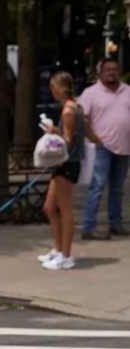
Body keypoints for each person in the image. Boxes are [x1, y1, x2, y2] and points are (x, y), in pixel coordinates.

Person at [38, 70, 84, 271]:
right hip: (64, 164)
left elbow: (67, 142)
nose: (51, 91)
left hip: (67, 163)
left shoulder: (68, 112)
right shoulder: (71, 108)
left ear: (58, 88)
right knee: (49, 208)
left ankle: (66, 256)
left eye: (52, 87)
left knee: (65, 210)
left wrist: (55, 132)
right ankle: (59, 250)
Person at [79, 55, 130, 240]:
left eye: (114, 69)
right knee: (97, 187)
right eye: (107, 70)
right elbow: (81, 118)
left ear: (119, 72)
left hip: (124, 147)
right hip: (101, 148)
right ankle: (89, 227)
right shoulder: (90, 93)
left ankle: (115, 223)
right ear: (100, 73)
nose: (111, 73)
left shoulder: (127, 91)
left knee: (117, 189)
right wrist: (93, 138)